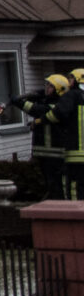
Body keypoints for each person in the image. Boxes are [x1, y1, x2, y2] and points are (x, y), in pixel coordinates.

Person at [18, 73, 78, 200]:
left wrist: (18, 102)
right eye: (46, 85)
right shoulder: (47, 101)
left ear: (59, 89)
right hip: (44, 153)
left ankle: (62, 208)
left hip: (57, 154)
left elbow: (35, 109)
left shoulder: (58, 106)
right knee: (50, 185)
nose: (46, 88)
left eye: (50, 86)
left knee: (59, 186)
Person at [65, 67, 84, 199]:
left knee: (74, 184)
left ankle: (74, 211)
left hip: (75, 150)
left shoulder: (71, 96)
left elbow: (58, 114)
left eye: (70, 78)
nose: (68, 81)